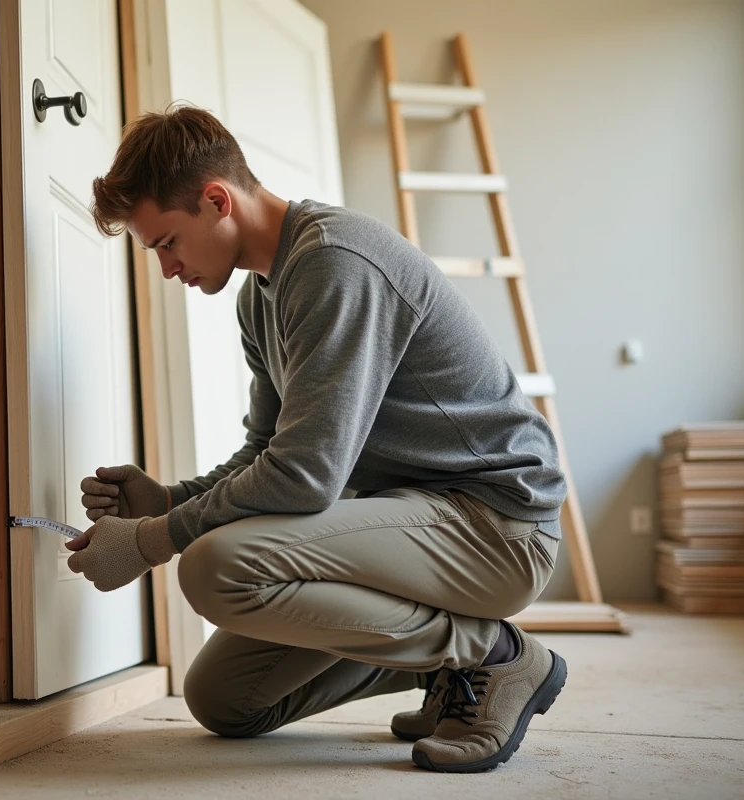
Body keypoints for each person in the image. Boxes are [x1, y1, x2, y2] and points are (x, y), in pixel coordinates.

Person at [65, 105, 567, 774]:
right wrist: (168, 500)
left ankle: (494, 656)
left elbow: (304, 476)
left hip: (496, 526)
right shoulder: (258, 298)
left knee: (214, 568)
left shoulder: (333, 262)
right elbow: (267, 452)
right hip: (413, 521)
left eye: (166, 243)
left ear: (217, 200)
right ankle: (446, 668)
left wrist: (153, 540)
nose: (166, 268)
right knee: (226, 700)